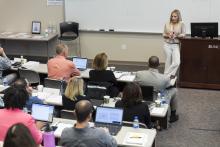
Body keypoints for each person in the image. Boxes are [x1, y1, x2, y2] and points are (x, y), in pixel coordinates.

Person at [135, 56, 179, 123]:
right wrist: (169, 79)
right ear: (159, 65)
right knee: (174, 90)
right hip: (157, 100)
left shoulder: (139, 74)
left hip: (143, 98)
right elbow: (168, 86)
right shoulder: (164, 78)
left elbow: (135, 84)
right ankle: (173, 116)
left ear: (148, 64)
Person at [163, 9, 186, 77]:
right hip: (167, 44)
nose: (173, 18)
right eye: (172, 16)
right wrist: (168, 35)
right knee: (168, 62)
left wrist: (176, 36)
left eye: (175, 16)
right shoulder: (167, 23)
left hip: (176, 45)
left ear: (178, 16)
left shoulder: (181, 23)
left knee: (176, 62)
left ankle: (165, 76)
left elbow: (184, 34)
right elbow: (163, 34)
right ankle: (168, 79)